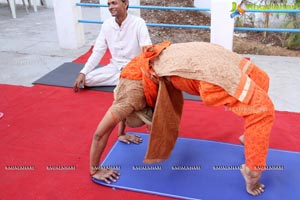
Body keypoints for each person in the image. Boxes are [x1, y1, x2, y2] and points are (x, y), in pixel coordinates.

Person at [89, 41, 275, 196]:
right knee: (260, 82)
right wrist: (121, 134)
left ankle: (252, 170)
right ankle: (251, 145)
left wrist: (94, 169)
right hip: (188, 52)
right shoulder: (128, 90)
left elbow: (99, 133)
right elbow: (121, 108)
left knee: (261, 108)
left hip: (196, 67)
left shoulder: (129, 100)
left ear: (133, 111)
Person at [73, 0, 152, 92]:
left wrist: (142, 68)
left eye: (114, 3)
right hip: (115, 67)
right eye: (109, 4)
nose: (110, 7)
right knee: (87, 80)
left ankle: (131, 78)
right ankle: (128, 80)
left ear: (125, 4)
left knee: (143, 76)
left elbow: (146, 49)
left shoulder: (138, 22)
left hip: (134, 67)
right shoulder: (107, 24)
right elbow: (98, 51)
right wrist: (83, 72)